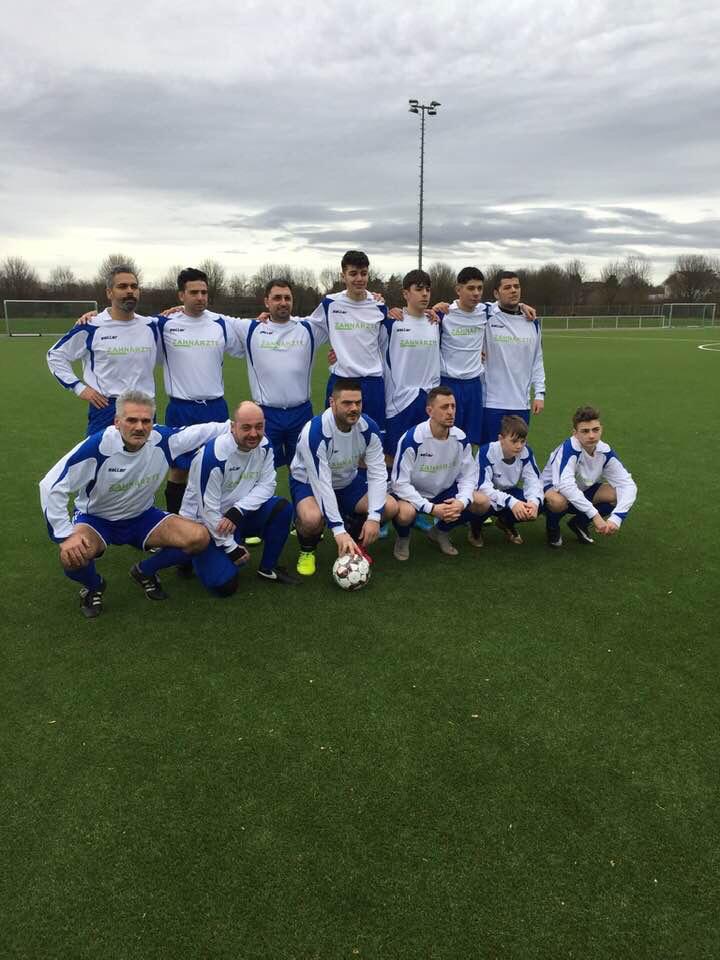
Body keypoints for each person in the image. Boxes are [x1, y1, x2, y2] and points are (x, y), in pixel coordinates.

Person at [39, 390, 229, 618]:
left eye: (146, 421)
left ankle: (145, 571)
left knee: (199, 537)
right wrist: (64, 535)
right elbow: (51, 485)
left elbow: (205, 431)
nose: (139, 427)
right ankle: (94, 585)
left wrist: (238, 425)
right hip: (96, 520)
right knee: (71, 558)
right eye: (131, 420)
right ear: (117, 422)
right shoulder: (98, 446)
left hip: (142, 517)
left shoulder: (164, 440)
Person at [181, 401, 298, 595]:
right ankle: (186, 555)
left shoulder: (265, 445)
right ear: (233, 427)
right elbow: (208, 510)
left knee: (282, 508)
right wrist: (231, 547)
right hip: (206, 524)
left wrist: (238, 510)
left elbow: (267, 485)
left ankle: (268, 568)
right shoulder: (213, 455)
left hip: (234, 517)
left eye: (259, 427)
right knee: (224, 586)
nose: (254, 434)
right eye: (246, 427)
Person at [155, 267, 243, 513]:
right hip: (181, 408)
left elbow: (250, 344)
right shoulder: (165, 324)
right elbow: (131, 328)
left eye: (204, 292)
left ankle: (221, 521)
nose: (200, 297)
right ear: (181, 295)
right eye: (193, 292)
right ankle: (175, 521)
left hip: (215, 407)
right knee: (179, 469)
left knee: (219, 465)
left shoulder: (220, 323)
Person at [289, 378, 398, 575]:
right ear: (332, 403)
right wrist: (338, 530)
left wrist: (374, 518)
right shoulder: (315, 433)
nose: (354, 408)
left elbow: (377, 473)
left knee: (389, 506)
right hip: (309, 483)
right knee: (312, 519)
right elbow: (322, 485)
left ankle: (355, 543)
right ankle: (307, 549)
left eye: (358, 402)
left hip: (347, 481)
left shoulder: (368, 428)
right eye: (347, 403)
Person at [222, 278, 328, 468]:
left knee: (304, 468)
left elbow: (342, 316)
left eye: (287, 298)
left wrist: (371, 298)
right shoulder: (251, 328)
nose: (283, 302)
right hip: (265, 415)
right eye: (277, 298)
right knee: (261, 468)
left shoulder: (308, 328)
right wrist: (182, 310)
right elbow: (214, 318)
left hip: (301, 413)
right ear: (266, 302)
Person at [46, 266, 157, 435]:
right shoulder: (92, 326)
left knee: (145, 453)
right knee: (99, 453)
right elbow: (55, 355)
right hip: (106, 407)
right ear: (109, 293)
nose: (130, 291)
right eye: (122, 286)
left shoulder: (152, 325)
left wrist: (178, 309)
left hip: (144, 407)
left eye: (134, 286)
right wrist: (79, 388)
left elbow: (185, 319)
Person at [390, 386, 479, 560]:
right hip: (413, 494)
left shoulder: (461, 438)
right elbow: (399, 483)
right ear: (429, 411)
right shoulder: (412, 439)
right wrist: (431, 509)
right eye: (444, 407)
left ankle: (439, 532)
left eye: (453, 406)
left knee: (480, 502)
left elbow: (469, 477)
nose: (450, 412)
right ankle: (403, 538)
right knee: (405, 514)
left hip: (444, 492)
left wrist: (461, 502)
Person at [308, 250, 388, 431]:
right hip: (341, 382)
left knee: (374, 437)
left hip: (372, 383)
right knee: (335, 436)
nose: (359, 279)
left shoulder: (379, 305)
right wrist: (273, 321)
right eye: (353, 273)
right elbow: (307, 327)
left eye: (363, 273)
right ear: (343, 276)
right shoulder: (330, 304)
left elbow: (386, 344)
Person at [542, 405, 638, 547]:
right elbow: (565, 486)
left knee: (617, 494)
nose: (591, 435)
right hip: (554, 490)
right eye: (585, 431)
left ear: (601, 429)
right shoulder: (568, 449)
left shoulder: (605, 451)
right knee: (558, 502)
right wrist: (595, 515)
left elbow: (628, 484)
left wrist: (616, 518)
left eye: (595, 430)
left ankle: (579, 523)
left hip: (583, 489)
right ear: (575, 433)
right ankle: (552, 526)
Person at [379, 268, 440, 460]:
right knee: (394, 456)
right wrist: (337, 354)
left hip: (429, 400)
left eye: (428, 289)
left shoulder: (436, 322)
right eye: (419, 289)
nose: (425, 294)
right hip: (399, 402)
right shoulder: (391, 323)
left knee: (426, 457)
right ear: (405, 294)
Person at [481, 271, 545, 444]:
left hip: (521, 404)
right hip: (492, 403)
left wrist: (539, 393)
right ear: (496, 293)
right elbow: (466, 304)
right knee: (490, 452)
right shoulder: (486, 315)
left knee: (516, 453)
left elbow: (537, 360)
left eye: (516, 286)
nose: (513, 290)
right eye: (507, 287)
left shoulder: (532, 322)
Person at [467, 414, 543, 547]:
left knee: (540, 502)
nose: (519, 446)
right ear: (501, 439)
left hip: (509, 491)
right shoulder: (486, 451)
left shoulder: (526, 452)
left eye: (523, 441)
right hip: (486, 495)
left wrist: (533, 503)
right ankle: (475, 528)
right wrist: (511, 502)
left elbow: (534, 481)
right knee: (480, 502)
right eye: (514, 441)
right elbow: (483, 487)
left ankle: (505, 522)